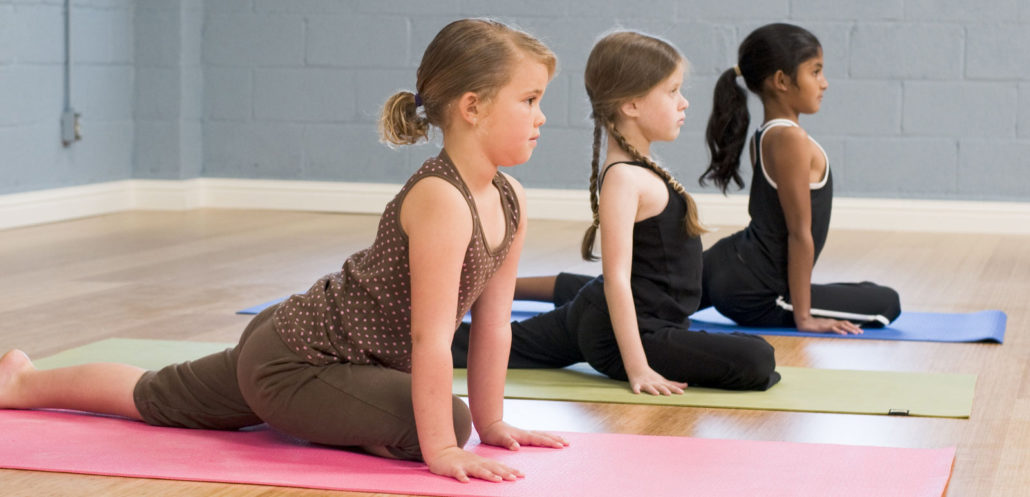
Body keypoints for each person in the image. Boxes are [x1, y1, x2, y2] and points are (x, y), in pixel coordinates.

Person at [0, 18, 567, 483]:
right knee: (447, 416)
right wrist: (444, 447)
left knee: (155, 393)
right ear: (472, 107)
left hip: (303, 344)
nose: (542, 117)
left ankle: (22, 382)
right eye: (530, 99)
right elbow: (431, 340)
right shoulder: (442, 198)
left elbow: (495, 327)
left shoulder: (508, 197)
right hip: (298, 362)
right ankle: (332, 421)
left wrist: (495, 423)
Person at [453, 31, 780, 395]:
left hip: (609, 314)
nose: (683, 102)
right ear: (631, 105)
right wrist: (637, 367)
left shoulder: (638, 166)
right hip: (621, 333)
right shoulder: (624, 177)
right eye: (672, 91)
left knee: (479, 344)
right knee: (757, 358)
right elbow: (617, 281)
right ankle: (409, 325)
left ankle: (442, 313)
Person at [698, 23, 901, 334]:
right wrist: (804, 318)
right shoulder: (791, 140)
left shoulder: (765, 134)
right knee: (887, 303)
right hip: (758, 292)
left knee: (638, 294)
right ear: (782, 80)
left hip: (730, 263)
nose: (825, 83)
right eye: (816, 72)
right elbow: (799, 234)